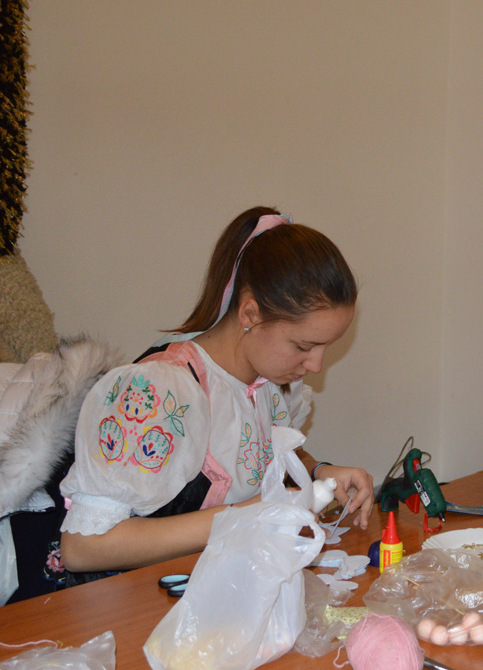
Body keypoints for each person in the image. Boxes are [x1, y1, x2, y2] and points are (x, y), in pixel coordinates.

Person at [57, 207, 373, 583]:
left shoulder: (267, 382)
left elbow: (263, 451)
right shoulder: (164, 393)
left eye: (326, 347)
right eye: (304, 346)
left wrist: (321, 472)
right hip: (132, 600)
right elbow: (82, 548)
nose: (316, 365)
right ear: (250, 314)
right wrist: (246, 515)